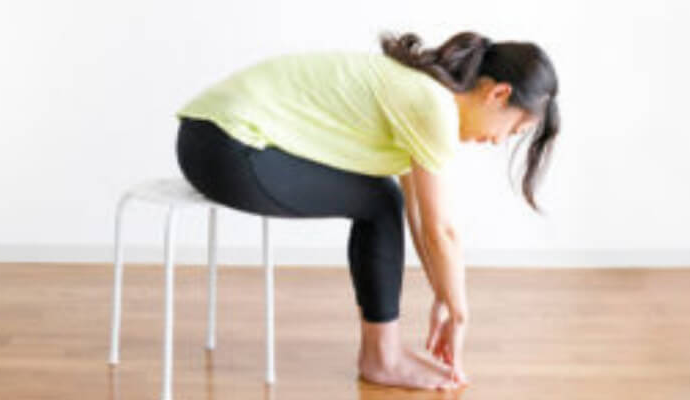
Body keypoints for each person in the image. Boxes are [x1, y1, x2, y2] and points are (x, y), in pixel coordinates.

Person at [174, 30, 560, 391]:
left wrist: (442, 292)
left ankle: (383, 352)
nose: (497, 142)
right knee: (378, 200)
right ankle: (382, 356)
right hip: (225, 147)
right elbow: (443, 230)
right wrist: (460, 312)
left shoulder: (423, 95)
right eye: (512, 130)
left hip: (207, 140)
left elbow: (422, 219)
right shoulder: (433, 106)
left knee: (381, 198)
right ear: (498, 94)